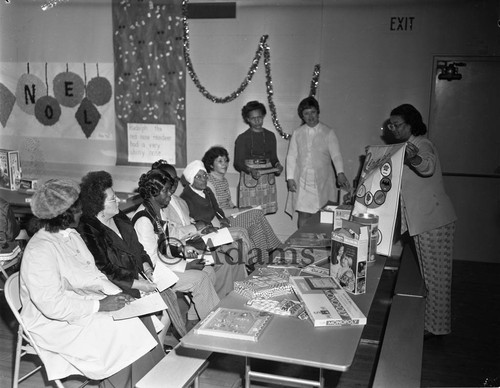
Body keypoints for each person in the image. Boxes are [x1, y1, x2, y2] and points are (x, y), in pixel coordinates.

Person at [20, 179, 162, 386]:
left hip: (79, 303)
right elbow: (52, 305)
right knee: (117, 327)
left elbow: (92, 276)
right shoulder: (39, 250)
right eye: (78, 209)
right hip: (52, 323)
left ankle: (155, 380)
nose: (82, 213)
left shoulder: (71, 236)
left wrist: (117, 295)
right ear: (64, 213)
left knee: (137, 312)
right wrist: (100, 305)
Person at [77, 171, 187, 342]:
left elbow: (138, 248)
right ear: (99, 204)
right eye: (113, 199)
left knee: (167, 298)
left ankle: (159, 345)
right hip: (116, 285)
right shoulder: (89, 229)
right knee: (160, 304)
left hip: (137, 276)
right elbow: (104, 268)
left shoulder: (119, 217)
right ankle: (153, 348)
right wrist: (138, 284)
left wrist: (147, 267)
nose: (118, 201)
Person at [388, 103, 457, 337]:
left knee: (436, 280)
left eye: (398, 125)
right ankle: (432, 325)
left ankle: (435, 329)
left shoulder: (421, 144)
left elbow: (426, 166)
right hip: (424, 221)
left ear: (411, 124)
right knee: (431, 277)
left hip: (434, 221)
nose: (393, 129)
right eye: (391, 125)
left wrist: (413, 158)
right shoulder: (405, 147)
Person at [131, 168, 220, 323]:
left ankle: (195, 316)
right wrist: (186, 265)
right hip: (153, 275)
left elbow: (168, 240)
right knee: (200, 279)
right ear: (153, 193)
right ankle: (213, 324)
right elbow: (152, 262)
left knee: (209, 267)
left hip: (168, 263)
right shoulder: (144, 220)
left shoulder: (159, 212)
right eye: (165, 191)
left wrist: (184, 251)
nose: (170, 194)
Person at [146, 162, 246, 298]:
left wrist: (203, 227)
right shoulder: (161, 205)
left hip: (197, 242)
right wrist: (197, 227)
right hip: (183, 250)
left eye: (175, 179)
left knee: (234, 254)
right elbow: (172, 234)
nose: (174, 183)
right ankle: (224, 300)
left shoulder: (180, 201)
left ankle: (241, 293)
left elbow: (190, 222)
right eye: (169, 180)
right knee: (224, 261)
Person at [202, 146, 283, 265]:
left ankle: (258, 262)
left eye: (225, 161)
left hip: (230, 217)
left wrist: (239, 210)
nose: (224, 164)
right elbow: (218, 212)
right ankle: (275, 249)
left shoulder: (223, 180)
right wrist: (242, 210)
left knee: (256, 227)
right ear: (210, 165)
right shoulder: (209, 182)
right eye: (220, 161)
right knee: (256, 213)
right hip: (221, 222)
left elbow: (229, 204)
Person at [285, 96, 350, 228]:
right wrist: (290, 178)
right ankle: (303, 242)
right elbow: (291, 156)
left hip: (322, 179)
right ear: (302, 116)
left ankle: (318, 243)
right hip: (302, 180)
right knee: (303, 213)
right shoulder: (298, 133)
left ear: (318, 112)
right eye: (306, 113)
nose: (310, 116)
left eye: (313, 112)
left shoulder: (328, 132)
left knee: (322, 213)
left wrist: (340, 173)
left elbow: (336, 155)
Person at [180, 160, 253, 265]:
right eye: (198, 177)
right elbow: (194, 224)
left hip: (216, 230)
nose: (204, 179)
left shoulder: (207, 191)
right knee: (241, 233)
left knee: (239, 243)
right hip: (203, 237)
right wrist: (215, 228)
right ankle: (248, 265)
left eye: (205, 175)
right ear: (191, 180)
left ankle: (241, 267)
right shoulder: (186, 198)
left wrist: (223, 222)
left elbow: (217, 211)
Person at [234, 100, 283, 214]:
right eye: (253, 118)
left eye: (259, 117)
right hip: (250, 177)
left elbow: (273, 158)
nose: (257, 120)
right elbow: (238, 163)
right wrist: (250, 170)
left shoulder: (270, 136)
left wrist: (278, 166)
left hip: (267, 177)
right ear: (247, 119)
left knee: (262, 211)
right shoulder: (242, 138)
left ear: (263, 116)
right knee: (249, 212)